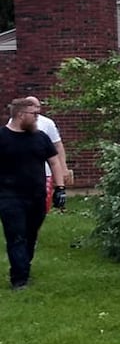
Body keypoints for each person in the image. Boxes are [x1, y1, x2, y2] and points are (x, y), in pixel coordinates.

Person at [0, 98, 68, 289]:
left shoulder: (39, 138)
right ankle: (19, 280)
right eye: (34, 115)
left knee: (30, 235)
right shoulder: (2, 137)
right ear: (21, 115)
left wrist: (60, 189)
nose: (37, 118)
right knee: (16, 236)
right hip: (9, 197)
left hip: (36, 196)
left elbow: (54, 161)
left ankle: (24, 268)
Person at [23, 96, 67, 212]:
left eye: (36, 106)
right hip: (21, 173)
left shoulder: (47, 124)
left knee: (40, 206)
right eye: (30, 105)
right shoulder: (15, 122)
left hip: (44, 172)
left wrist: (64, 169)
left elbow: (57, 146)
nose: (34, 109)